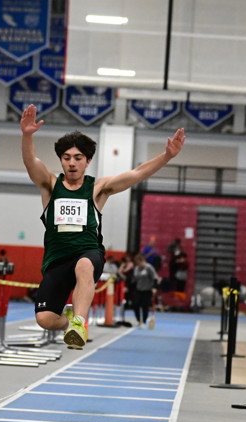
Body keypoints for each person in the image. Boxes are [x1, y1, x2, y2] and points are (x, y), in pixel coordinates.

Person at [20, 103, 185, 349]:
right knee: (45, 319)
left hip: (88, 253)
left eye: (78, 158)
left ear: (87, 161)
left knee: (84, 265)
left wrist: (166, 157)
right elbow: (30, 161)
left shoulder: (98, 188)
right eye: (66, 158)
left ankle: (79, 322)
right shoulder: (50, 185)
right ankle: (69, 320)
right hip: (56, 260)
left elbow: (137, 174)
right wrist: (27, 135)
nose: (72, 163)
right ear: (61, 160)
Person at [131, 253, 159, 328]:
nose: (138, 264)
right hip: (138, 289)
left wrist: (154, 287)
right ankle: (138, 320)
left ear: (142, 261)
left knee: (145, 306)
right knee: (135, 304)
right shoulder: (136, 268)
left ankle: (144, 321)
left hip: (147, 290)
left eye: (139, 262)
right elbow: (134, 279)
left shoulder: (149, 267)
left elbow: (155, 278)